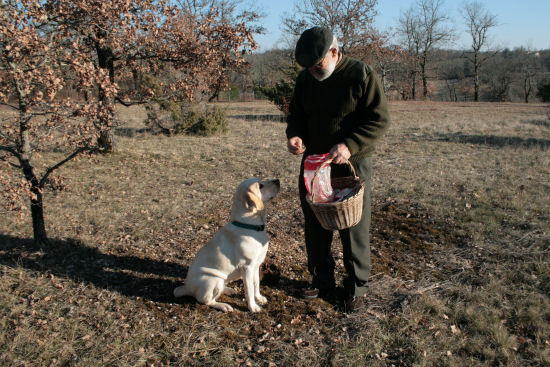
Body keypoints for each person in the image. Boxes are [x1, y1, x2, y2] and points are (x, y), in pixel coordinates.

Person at [286, 26, 391, 312]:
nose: (311, 71)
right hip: (314, 164)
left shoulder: (361, 75)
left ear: (334, 52)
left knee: (352, 226)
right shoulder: (306, 80)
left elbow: (379, 120)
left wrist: (350, 145)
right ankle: (322, 279)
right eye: (307, 67)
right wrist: (294, 135)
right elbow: (296, 115)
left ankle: (357, 286)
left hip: (350, 164)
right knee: (315, 224)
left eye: (316, 65)